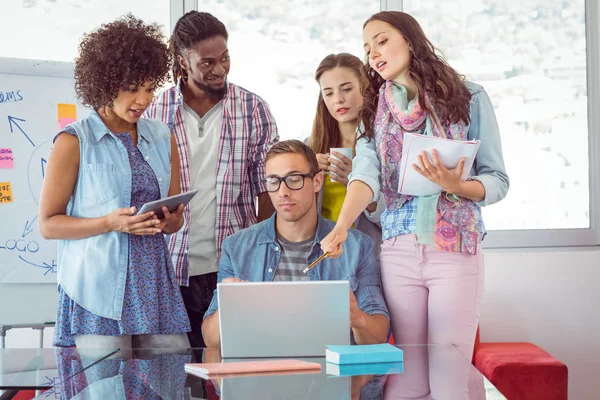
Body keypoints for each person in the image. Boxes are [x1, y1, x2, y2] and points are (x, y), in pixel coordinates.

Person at [320, 11, 510, 358]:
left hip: (452, 249)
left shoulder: (469, 97)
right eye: (367, 49)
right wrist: (342, 227)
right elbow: (365, 175)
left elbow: (497, 181)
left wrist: (457, 185)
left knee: (447, 377)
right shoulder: (373, 111)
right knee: (407, 378)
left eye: (382, 41)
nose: (374, 54)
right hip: (397, 253)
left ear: (410, 40)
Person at [39, 15, 190, 349]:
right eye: (132, 89)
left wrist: (172, 221)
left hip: (154, 285)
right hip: (97, 288)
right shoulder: (74, 141)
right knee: (105, 386)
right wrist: (109, 222)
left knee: (171, 377)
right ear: (106, 84)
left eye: (150, 88)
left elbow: (173, 217)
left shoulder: (163, 137)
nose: (143, 100)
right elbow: (49, 225)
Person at [144, 11, 279, 348]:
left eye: (225, 58)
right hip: (171, 269)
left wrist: (260, 260)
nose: (219, 69)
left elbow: (268, 191)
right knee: (179, 377)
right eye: (207, 62)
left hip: (232, 268)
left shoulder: (253, 109)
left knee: (235, 372)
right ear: (183, 61)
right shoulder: (155, 111)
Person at [201, 140, 389, 348]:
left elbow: (379, 335)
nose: (283, 192)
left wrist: (358, 319)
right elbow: (211, 341)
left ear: (317, 182)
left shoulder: (357, 246)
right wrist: (228, 307)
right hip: (263, 370)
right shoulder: (236, 247)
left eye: (294, 179)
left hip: (332, 373)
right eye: (273, 181)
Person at [307, 53, 382, 259]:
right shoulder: (310, 148)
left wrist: (359, 183)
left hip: (368, 259)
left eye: (347, 89)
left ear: (365, 88)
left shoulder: (384, 146)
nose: (338, 99)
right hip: (323, 258)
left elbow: (397, 220)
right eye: (328, 93)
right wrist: (304, 176)